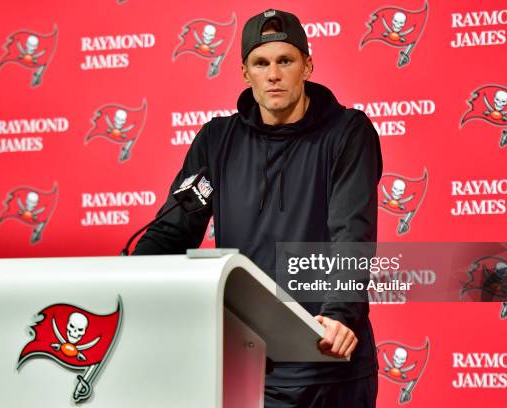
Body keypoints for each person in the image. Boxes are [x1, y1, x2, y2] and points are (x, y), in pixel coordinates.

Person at [133, 9, 382, 408]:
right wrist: (125, 280)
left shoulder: (348, 132)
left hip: (329, 357)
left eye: (286, 60)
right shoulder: (217, 139)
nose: (273, 74)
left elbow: (352, 231)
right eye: (261, 63)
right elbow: (174, 229)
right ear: (245, 73)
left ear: (308, 65)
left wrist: (342, 314)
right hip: (248, 361)